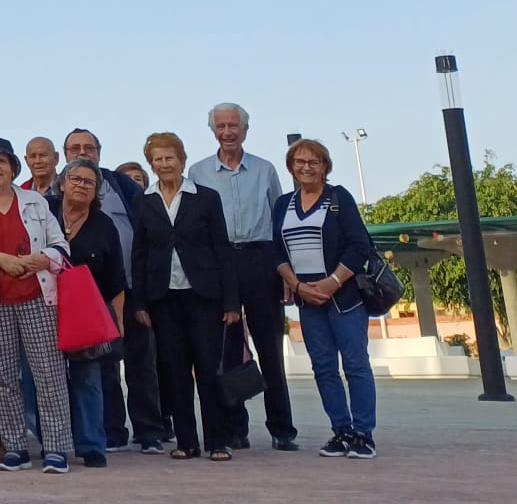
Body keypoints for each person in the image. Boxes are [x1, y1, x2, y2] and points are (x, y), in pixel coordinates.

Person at [0, 137, 75, 475]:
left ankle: (55, 448)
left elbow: (60, 245)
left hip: (37, 298)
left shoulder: (35, 202)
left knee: (48, 376)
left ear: (12, 167)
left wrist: (44, 259)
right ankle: (15, 447)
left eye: (1, 161)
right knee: (2, 380)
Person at [188, 103, 296, 451]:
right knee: (228, 351)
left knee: (269, 349)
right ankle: (236, 428)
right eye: (221, 126)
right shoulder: (198, 171)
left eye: (234, 125)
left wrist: (285, 273)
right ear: (213, 131)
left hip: (261, 259)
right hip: (221, 265)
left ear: (245, 130)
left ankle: (282, 428)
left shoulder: (265, 170)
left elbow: (280, 221)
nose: (228, 131)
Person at [132, 131, 240, 462]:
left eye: (170, 158)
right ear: (151, 164)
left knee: (209, 369)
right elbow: (139, 254)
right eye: (158, 159)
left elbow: (223, 249)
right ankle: (186, 441)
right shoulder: (143, 201)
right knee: (174, 371)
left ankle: (218, 440)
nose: (164, 164)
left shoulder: (205, 197)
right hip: (163, 298)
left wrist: (232, 301)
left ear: (182, 160)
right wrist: (139, 302)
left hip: (204, 296)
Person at [274, 138, 379, 461]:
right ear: (291, 166)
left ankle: (363, 433)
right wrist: (296, 284)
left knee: (355, 363)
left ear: (325, 167)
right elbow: (276, 251)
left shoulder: (338, 198)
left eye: (313, 162)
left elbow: (359, 245)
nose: (305, 167)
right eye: (299, 162)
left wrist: (332, 282)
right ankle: (341, 430)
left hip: (343, 296)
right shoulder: (283, 204)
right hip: (307, 301)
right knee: (323, 367)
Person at [65, 129, 164, 455]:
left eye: (89, 147)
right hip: (83, 297)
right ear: (65, 155)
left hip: (129, 288)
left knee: (141, 362)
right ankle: (112, 432)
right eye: (76, 148)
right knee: (102, 366)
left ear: (100, 151)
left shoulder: (123, 187)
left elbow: (148, 231)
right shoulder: (56, 197)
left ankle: (149, 432)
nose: (84, 151)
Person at [55, 157, 128, 469]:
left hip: (86, 313)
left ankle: (91, 444)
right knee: (39, 380)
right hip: (43, 309)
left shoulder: (104, 225)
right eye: (76, 179)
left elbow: (116, 281)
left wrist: (118, 322)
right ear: (62, 183)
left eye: (89, 182)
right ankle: (51, 439)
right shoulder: (42, 212)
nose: (82, 186)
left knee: (88, 379)